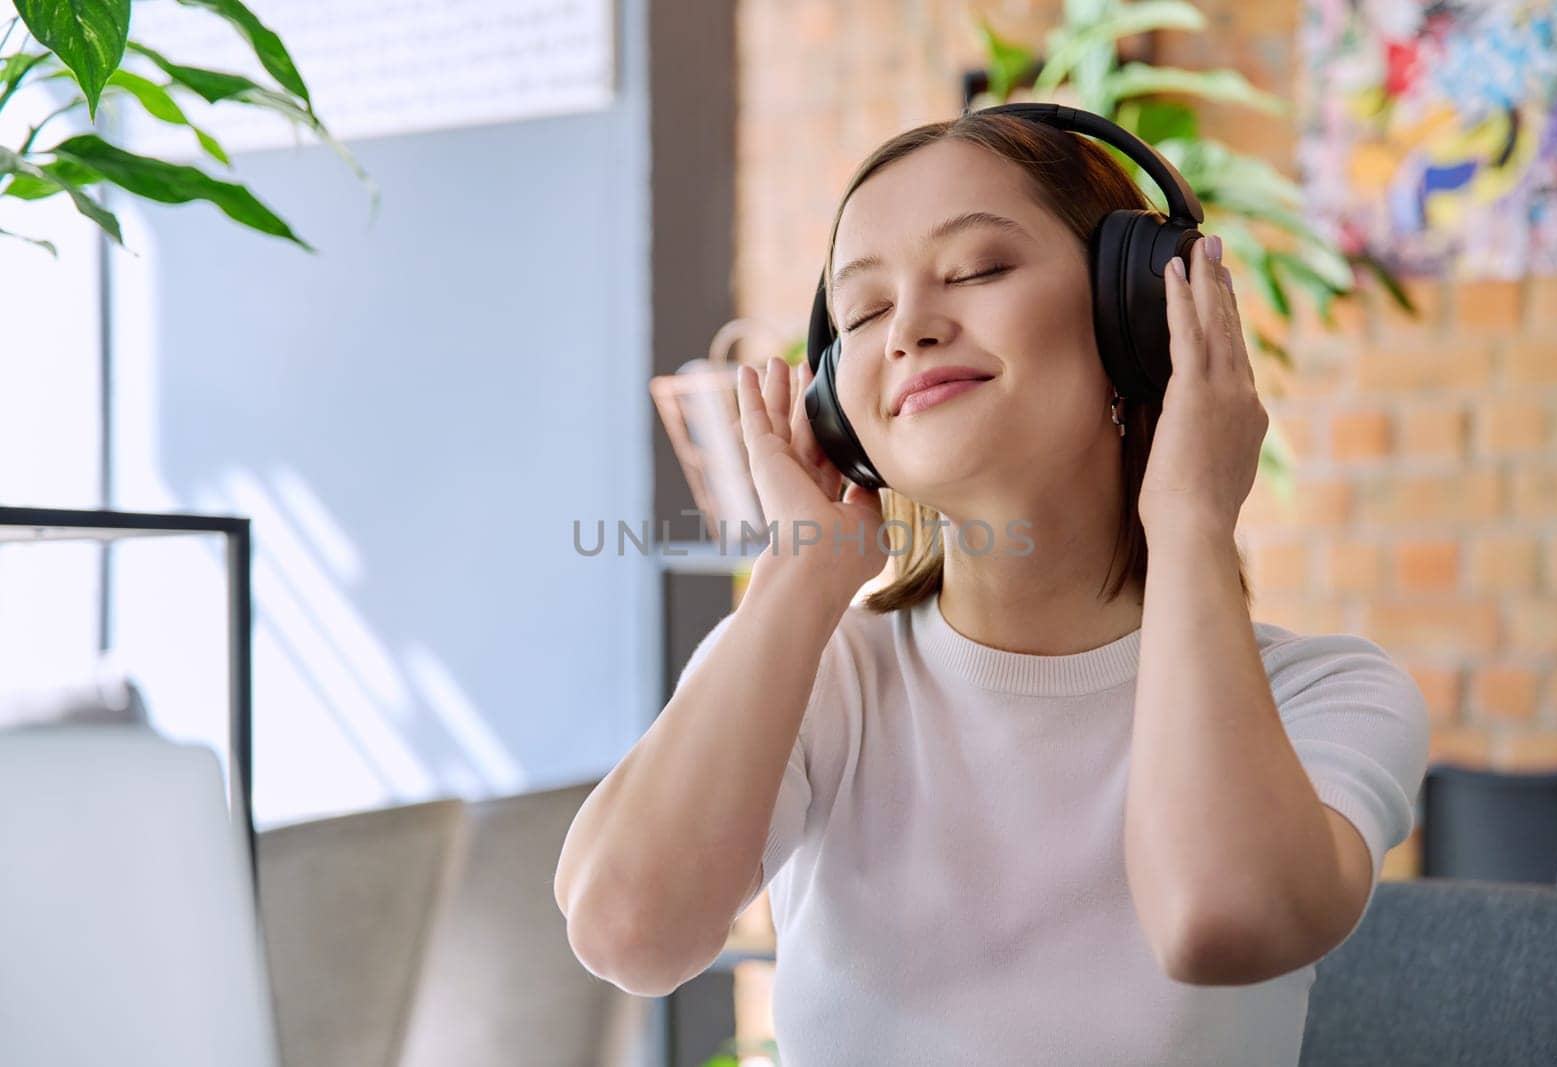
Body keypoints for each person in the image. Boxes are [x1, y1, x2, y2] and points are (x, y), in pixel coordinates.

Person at [554, 110, 1430, 1066]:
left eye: (978, 270)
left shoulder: (1327, 698)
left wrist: (1189, 519)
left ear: (1133, 317)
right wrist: (799, 573)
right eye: (862, 314)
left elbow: (1218, 917)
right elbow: (626, 934)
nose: (912, 331)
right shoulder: (821, 675)